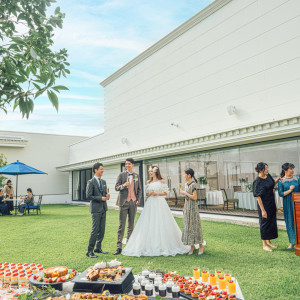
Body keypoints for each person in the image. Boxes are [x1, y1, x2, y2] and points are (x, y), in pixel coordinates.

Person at [122, 165, 189, 257]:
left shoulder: (162, 181)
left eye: (151, 171)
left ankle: (164, 244)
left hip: (160, 203)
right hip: (150, 203)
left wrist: (156, 193)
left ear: (156, 171)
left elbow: (165, 193)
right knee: (149, 222)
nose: (150, 173)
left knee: (161, 221)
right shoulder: (148, 182)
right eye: (149, 171)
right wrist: (149, 194)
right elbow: (146, 193)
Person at [114, 158, 142, 255]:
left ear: (133, 165)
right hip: (123, 203)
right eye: (126, 164)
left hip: (133, 203)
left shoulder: (136, 176)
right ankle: (119, 247)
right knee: (121, 225)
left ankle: (129, 245)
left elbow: (139, 189)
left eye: (129, 164)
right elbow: (116, 187)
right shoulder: (121, 175)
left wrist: (138, 199)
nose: (127, 165)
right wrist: (123, 185)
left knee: (131, 225)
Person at [253, 162, 280, 252]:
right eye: (266, 168)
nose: (268, 169)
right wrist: (263, 210)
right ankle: (264, 245)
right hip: (264, 205)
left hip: (271, 204)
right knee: (264, 224)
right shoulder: (258, 182)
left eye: (267, 168)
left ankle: (268, 241)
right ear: (261, 170)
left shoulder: (268, 176)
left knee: (271, 223)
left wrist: (277, 180)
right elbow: (258, 197)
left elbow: (271, 186)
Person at [86, 162, 110, 258]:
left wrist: (107, 196)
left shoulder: (103, 182)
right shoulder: (90, 182)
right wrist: (100, 198)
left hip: (104, 208)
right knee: (95, 230)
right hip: (95, 209)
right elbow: (88, 196)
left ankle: (98, 248)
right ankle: (90, 251)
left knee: (102, 230)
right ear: (96, 170)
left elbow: (104, 193)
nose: (102, 170)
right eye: (101, 169)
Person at [180, 168, 205, 255]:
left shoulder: (194, 185)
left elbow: (194, 197)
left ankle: (201, 246)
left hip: (193, 208)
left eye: (184, 174)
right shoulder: (186, 184)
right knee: (188, 226)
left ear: (189, 175)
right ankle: (192, 246)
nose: (183, 176)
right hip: (187, 207)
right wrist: (184, 207)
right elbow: (186, 199)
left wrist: (185, 193)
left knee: (195, 226)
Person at [278, 163, 300, 249]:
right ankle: (292, 242)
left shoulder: (297, 179)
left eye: (293, 168)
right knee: (290, 222)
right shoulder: (281, 181)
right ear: (285, 170)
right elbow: (280, 193)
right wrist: (290, 190)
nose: (293, 170)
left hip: (298, 203)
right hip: (288, 204)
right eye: (291, 169)